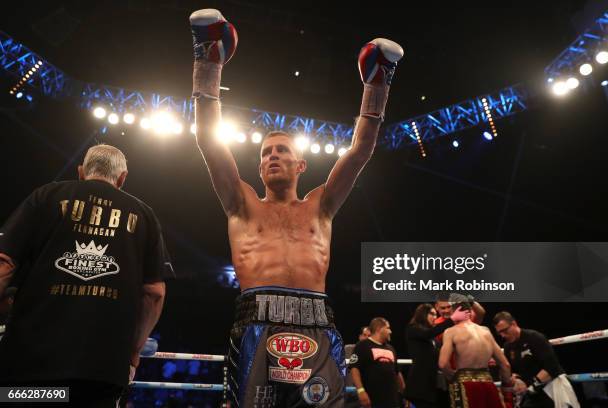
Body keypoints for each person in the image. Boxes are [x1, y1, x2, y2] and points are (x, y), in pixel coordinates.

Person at [189, 8, 403, 407]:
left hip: (317, 321)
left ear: (300, 165)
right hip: (256, 319)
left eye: (282, 150)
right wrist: (208, 59)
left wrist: (378, 80)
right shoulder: (242, 203)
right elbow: (207, 138)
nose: (272, 156)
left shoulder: (320, 206)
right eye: (266, 152)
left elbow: (361, 150)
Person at [0, 144, 172, 407]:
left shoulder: (47, 195)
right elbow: (154, 293)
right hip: (101, 375)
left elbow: (4, 263)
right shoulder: (144, 215)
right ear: (123, 178)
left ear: (81, 171)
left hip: (28, 368)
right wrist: (133, 355)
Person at [438, 294, 514, 408]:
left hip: (465, 385)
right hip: (488, 384)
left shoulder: (450, 332)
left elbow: (443, 364)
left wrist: (453, 377)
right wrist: (507, 391)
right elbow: (505, 365)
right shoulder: (486, 331)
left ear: (455, 312)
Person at [493, 311, 580, 408]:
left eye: (505, 330)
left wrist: (532, 385)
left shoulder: (534, 337)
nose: (503, 335)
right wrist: (517, 379)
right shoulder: (508, 347)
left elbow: (552, 367)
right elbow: (513, 371)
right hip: (531, 392)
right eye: (499, 332)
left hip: (550, 387)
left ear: (514, 324)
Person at [404, 303, 471, 408]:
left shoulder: (434, 340)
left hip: (434, 386)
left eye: (435, 314)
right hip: (420, 386)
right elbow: (429, 333)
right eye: (431, 314)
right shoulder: (413, 329)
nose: (434, 317)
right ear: (422, 314)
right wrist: (452, 318)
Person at [349, 318, 405, 408]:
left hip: (392, 400)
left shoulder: (391, 348)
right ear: (379, 329)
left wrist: (404, 394)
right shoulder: (362, 345)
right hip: (372, 400)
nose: (390, 331)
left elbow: (397, 372)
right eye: (388, 328)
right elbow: (354, 369)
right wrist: (360, 390)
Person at [345, 326, 374, 407]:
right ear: (360, 336)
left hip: (366, 392)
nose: (366, 338)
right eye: (364, 335)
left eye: (369, 336)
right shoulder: (348, 349)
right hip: (349, 392)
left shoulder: (374, 352)